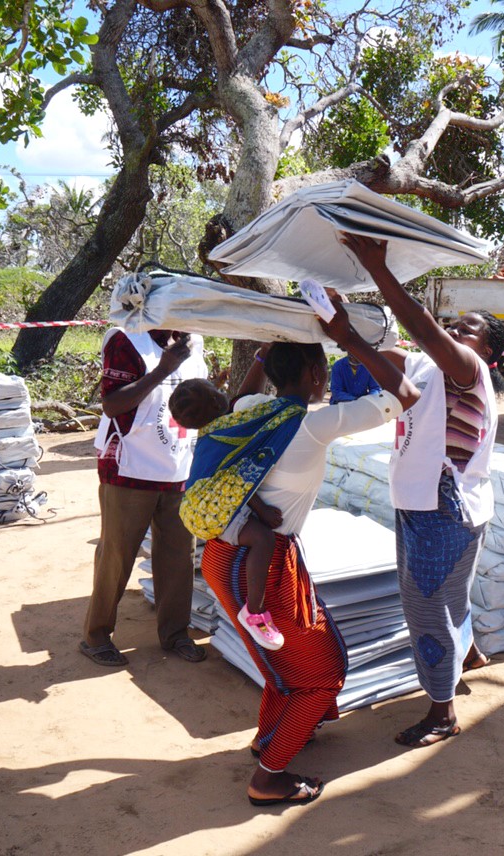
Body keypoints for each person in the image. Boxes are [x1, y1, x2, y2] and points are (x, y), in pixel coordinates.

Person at [197, 293, 420, 807]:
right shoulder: (315, 423)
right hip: (259, 564)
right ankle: (269, 777)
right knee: (321, 676)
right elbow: (403, 393)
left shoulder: (252, 409)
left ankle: (268, 741)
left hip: (226, 557)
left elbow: (242, 394)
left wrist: (269, 348)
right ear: (318, 376)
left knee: (281, 662)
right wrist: (349, 339)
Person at [341, 232, 504, 748]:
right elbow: (381, 356)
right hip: (422, 504)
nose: (458, 331)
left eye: (470, 331)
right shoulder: (425, 369)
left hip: (443, 508)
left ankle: (441, 713)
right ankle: (467, 657)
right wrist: (340, 324)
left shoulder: (468, 371)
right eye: (456, 324)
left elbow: (421, 327)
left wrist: (378, 269)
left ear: (488, 355)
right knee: (447, 596)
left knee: (424, 606)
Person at [80, 326, 210, 667]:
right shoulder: (127, 340)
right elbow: (111, 404)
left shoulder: (193, 342)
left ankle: (175, 633)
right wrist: (162, 371)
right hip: (128, 468)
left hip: (178, 466)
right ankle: (96, 636)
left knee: (179, 556)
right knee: (117, 555)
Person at [168, 377, 286, 650]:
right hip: (212, 510)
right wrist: (263, 510)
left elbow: (241, 395)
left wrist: (261, 356)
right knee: (263, 538)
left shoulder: (215, 430)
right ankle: (254, 611)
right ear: (213, 402)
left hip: (201, 505)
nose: (223, 391)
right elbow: (239, 479)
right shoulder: (227, 433)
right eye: (216, 390)